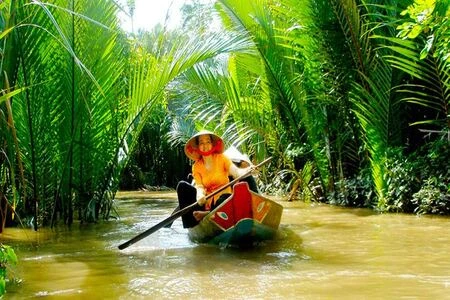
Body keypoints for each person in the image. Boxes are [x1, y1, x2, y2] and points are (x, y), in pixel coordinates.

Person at [176, 130, 253, 228]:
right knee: (182, 186)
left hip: (224, 200)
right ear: (198, 147)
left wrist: (247, 170)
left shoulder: (222, 158)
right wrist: (200, 196)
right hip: (207, 202)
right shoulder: (196, 166)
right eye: (201, 143)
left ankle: (208, 214)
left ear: (212, 144)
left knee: (224, 199)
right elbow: (199, 186)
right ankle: (193, 226)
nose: (205, 145)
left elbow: (236, 172)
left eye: (208, 142)